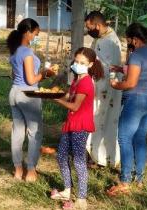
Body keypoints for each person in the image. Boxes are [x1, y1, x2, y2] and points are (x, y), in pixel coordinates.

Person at [107, 23, 147, 195]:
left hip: (137, 99)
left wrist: (116, 84)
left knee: (124, 138)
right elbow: (142, 72)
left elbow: (130, 83)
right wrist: (121, 68)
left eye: (128, 40)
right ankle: (139, 178)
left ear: (134, 39)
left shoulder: (137, 54)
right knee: (139, 138)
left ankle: (124, 181)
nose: (127, 43)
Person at [50, 47, 104, 209]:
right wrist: (55, 93)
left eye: (83, 63)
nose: (78, 64)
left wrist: (56, 99)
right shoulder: (76, 79)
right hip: (71, 123)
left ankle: (81, 199)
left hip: (80, 126)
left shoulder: (86, 82)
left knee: (79, 161)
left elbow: (74, 106)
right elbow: (69, 95)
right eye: (76, 61)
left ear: (90, 64)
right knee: (61, 155)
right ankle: (67, 190)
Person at [7, 18, 56, 182]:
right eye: (36, 33)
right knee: (35, 132)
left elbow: (14, 75)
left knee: (17, 131)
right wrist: (46, 74)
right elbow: (30, 79)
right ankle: (31, 171)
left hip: (14, 92)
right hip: (28, 94)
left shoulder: (15, 51)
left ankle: (18, 169)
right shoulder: (27, 53)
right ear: (28, 32)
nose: (37, 36)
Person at [84, 11, 122, 167]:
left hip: (102, 89)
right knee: (104, 122)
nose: (88, 30)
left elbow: (103, 68)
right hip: (108, 88)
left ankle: (98, 157)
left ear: (97, 25)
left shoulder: (107, 42)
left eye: (89, 27)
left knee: (98, 120)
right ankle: (98, 156)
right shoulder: (109, 37)